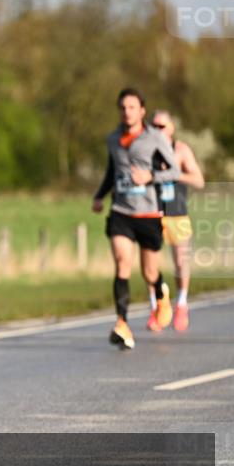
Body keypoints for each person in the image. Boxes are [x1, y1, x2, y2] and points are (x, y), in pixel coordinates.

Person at [92, 88, 178, 350]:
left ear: (141, 111)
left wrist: (150, 177)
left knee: (150, 272)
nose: (126, 112)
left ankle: (161, 294)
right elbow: (111, 170)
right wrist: (99, 196)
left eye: (131, 107)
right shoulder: (113, 139)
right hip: (121, 211)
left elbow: (174, 170)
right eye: (122, 107)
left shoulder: (155, 138)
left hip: (149, 213)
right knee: (122, 263)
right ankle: (122, 324)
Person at [151, 110, 204, 331]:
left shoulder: (180, 150)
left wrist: (174, 174)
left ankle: (181, 304)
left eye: (162, 126)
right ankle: (157, 308)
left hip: (177, 213)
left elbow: (199, 180)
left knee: (181, 262)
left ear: (171, 127)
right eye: (154, 126)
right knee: (150, 266)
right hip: (152, 213)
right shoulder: (147, 151)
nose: (157, 130)